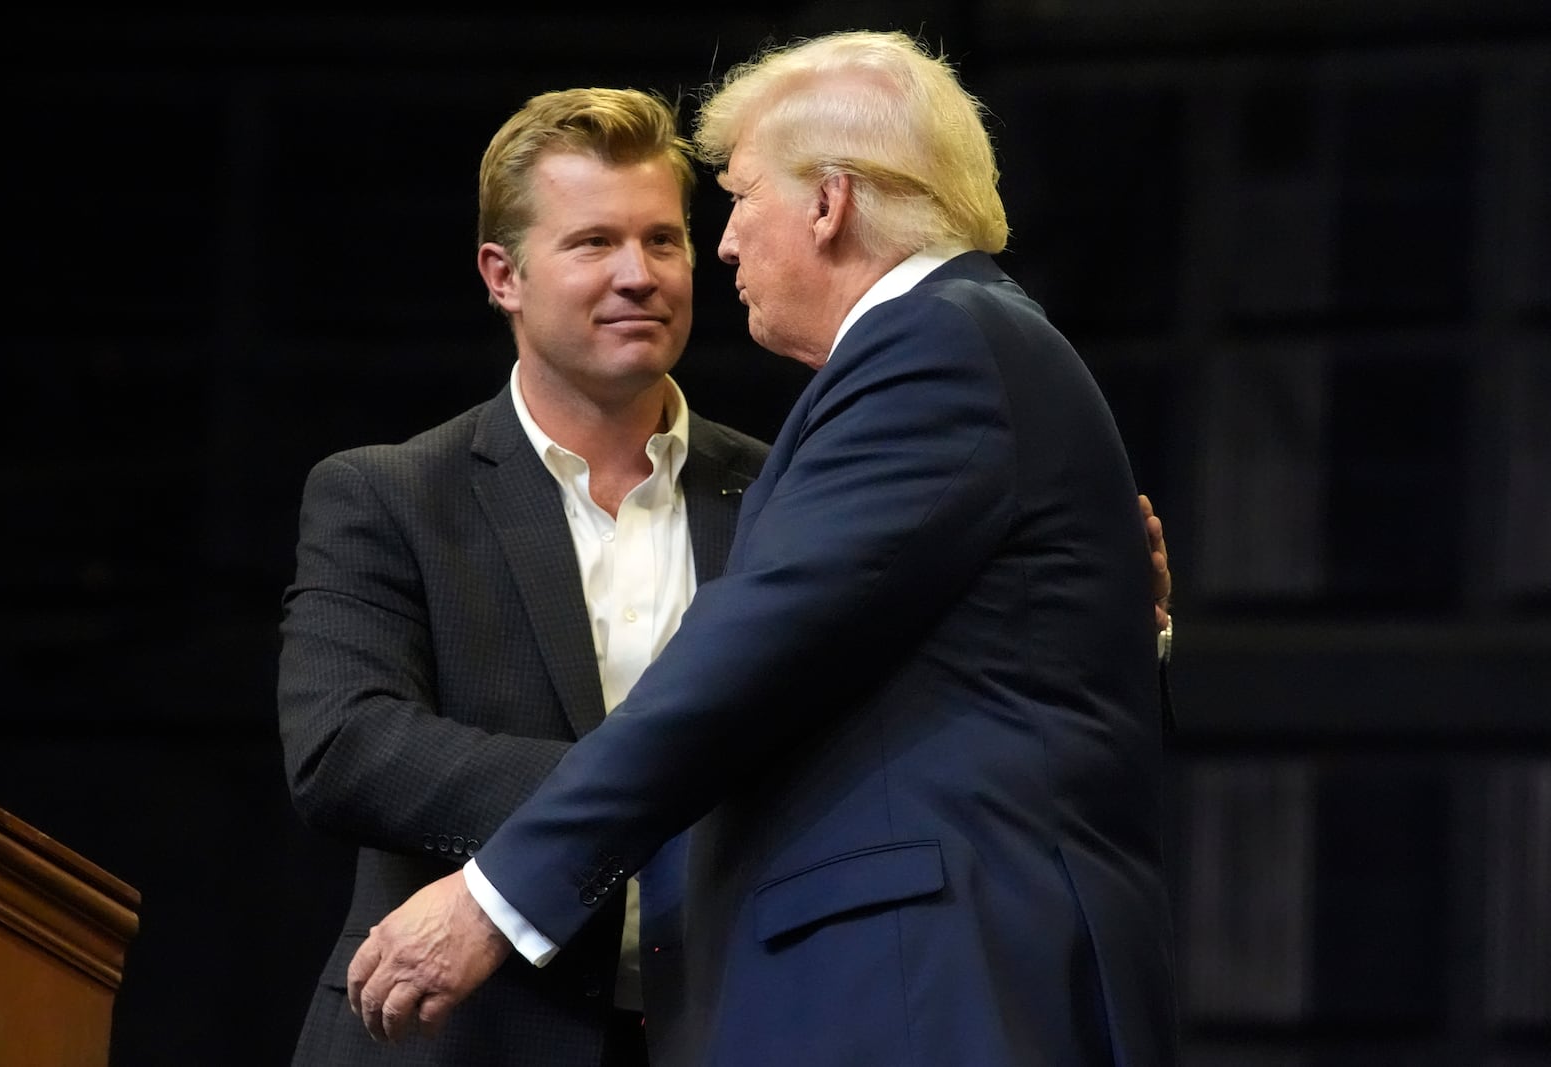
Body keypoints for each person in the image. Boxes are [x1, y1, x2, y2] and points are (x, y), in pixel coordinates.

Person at [307, 50, 1176, 1067]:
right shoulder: (966, 344)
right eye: (594, 240)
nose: (721, 247)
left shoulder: (924, 355)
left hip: (933, 981)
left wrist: (498, 893)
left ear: (829, 205)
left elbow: (739, 669)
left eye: (733, 200)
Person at [277, 88, 771, 1067]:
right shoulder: (388, 493)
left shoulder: (783, 490)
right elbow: (344, 743)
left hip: (727, 1031)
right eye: (594, 242)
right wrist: (639, 791)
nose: (638, 274)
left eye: (662, 240)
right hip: (461, 1036)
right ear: (502, 275)